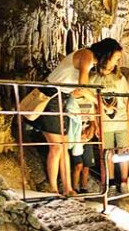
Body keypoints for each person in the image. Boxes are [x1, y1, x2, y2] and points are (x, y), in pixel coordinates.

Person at [36, 38, 123, 196]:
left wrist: (85, 96)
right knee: (56, 147)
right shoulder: (86, 55)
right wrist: (100, 104)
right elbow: (83, 87)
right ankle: (54, 189)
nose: (116, 63)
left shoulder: (90, 61)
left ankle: (69, 188)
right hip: (50, 99)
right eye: (116, 58)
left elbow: (77, 88)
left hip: (61, 98)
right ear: (108, 53)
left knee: (62, 146)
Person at [91, 69, 129, 194]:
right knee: (108, 153)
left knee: (124, 151)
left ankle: (124, 182)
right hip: (105, 122)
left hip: (121, 120)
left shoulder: (120, 78)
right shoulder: (94, 78)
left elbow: (128, 102)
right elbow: (93, 104)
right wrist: (95, 124)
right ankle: (112, 183)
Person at [70, 121, 97, 194]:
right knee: (78, 165)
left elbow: (93, 121)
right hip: (75, 140)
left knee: (86, 167)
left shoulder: (90, 111)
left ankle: (84, 188)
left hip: (87, 140)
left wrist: (91, 130)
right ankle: (74, 188)